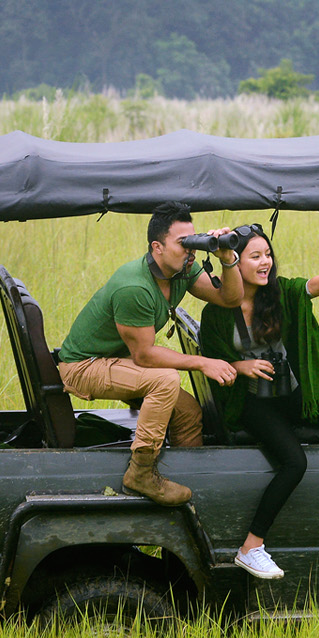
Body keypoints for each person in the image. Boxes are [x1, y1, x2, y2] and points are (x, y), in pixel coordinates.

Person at [197, 228, 319, 579]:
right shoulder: (217, 312)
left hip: (288, 391)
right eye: (255, 256)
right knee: (295, 462)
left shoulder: (278, 295)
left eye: (267, 254)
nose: (265, 262)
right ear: (233, 262)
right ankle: (251, 547)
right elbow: (213, 362)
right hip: (250, 401)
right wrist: (241, 366)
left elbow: (309, 287)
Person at [56, 202, 246, 506]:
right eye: (182, 244)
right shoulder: (135, 286)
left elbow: (231, 297)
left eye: (193, 241)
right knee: (165, 380)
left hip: (117, 359)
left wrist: (227, 260)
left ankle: (191, 486)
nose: (191, 250)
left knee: (188, 413)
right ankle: (141, 474)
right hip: (83, 367)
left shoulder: (182, 270)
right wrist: (202, 362)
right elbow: (144, 356)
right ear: (157, 247)